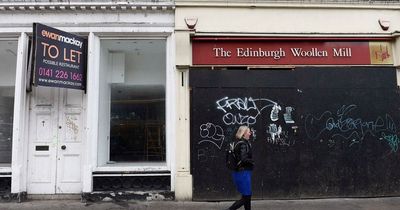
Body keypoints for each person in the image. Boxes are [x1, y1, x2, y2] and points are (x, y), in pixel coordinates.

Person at [226, 125, 254, 210]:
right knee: (246, 197)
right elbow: (243, 159)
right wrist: (252, 162)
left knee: (246, 196)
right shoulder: (243, 144)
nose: (250, 133)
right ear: (244, 133)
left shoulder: (238, 142)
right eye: (249, 132)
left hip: (240, 172)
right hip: (243, 172)